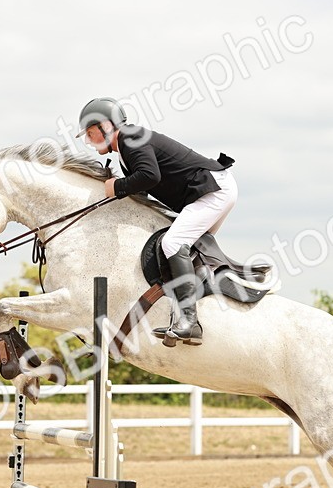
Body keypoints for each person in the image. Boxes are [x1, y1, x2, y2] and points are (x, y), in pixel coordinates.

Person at [77, 97, 237, 345]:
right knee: (189, 252)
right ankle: (190, 317)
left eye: (90, 132)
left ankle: (189, 322)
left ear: (107, 126)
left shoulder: (129, 138)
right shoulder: (125, 148)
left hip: (212, 192)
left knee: (172, 244)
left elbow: (150, 175)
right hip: (212, 190)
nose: (89, 140)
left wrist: (117, 186)